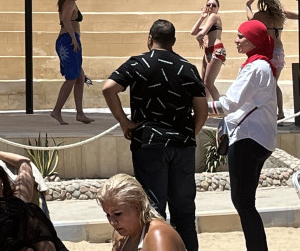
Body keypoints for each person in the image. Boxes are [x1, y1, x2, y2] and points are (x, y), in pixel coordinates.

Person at [102, 19, 207, 251]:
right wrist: (188, 134)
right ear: (173, 41)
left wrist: (124, 122)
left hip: (149, 143)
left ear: (150, 38)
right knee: (185, 211)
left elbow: (108, 88)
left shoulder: (138, 63)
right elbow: (202, 111)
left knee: (152, 210)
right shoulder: (187, 68)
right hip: (182, 145)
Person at [208, 20, 277, 251]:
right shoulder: (260, 65)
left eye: (241, 36)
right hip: (259, 139)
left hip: (248, 139)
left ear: (254, 40)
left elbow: (230, 104)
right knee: (246, 202)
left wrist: (198, 108)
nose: (236, 40)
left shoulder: (256, 67)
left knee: (243, 202)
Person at [51, 0, 99, 124]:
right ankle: (57, 110)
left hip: (68, 39)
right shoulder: (69, 2)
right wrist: (73, 38)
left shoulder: (70, 0)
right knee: (72, 77)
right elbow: (65, 19)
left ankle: (80, 113)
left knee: (79, 76)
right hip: (68, 40)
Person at [246, 0, 298, 119]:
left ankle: (268, 112)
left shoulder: (260, 15)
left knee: (266, 84)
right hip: (279, 52)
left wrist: (248, 6)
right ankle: (280, 112)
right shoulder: (282, 14)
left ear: (263, 0)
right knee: (274, 83)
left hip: (267, 52)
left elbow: (250, 20)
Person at [97, 173, 187, 251]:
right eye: (108, 215)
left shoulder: (158, 235)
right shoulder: (122, 238)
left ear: (137, 206)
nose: (112, 222)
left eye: (118, 214)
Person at [189, 0, 224, 100]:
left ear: (217, 8)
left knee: (208, 82)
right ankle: (205, 106)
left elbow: (201, 33)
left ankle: (220, 106)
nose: (211, 7)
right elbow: (193, 32)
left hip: (216, 49)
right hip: (208, 51)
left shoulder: (214, 16)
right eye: (208, 5)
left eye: (214, 5)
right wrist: (202, 18)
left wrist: (199, 38)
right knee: (204, 82)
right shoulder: (209, 20)